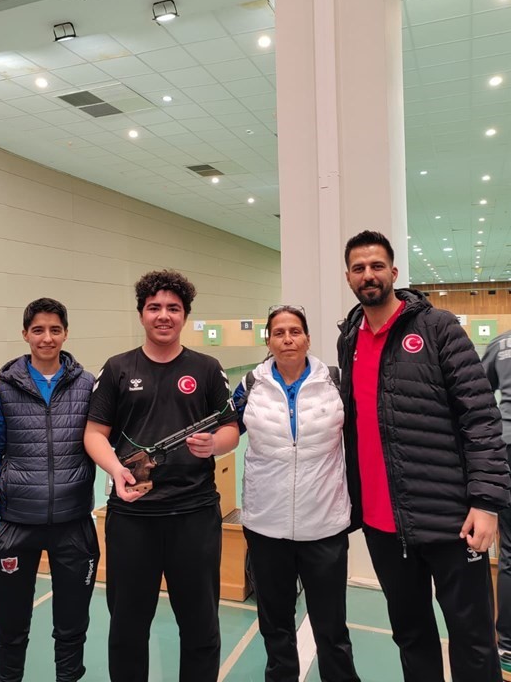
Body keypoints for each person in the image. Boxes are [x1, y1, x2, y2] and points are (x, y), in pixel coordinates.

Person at [338, 229, 510, 682]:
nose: (368, 274)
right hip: (382, 525)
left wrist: (486, 502)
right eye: (359, 268)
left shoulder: (438, 328)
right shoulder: (349, 338)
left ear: (394, 272)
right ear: (349, 277)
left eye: (377, 266)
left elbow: (480, 416)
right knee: (411, 636)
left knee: (473, 640)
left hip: (450, 521)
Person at [84, 269, 239, 682]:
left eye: (173, 308)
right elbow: (94, 433)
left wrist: (214, 444)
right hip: (132, 518)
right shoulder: (117, 369)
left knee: (201, 627)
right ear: (141, 314)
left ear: (185, 315)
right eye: (154, 307)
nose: (164, 315)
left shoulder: (207, 368)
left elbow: (231, 428)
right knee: (127, 628)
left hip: (195, 515)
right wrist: (116, 469)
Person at [233, 305, 360, 682]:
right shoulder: (251, 385)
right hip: (265, 526)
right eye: (279, 332)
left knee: (332, 628)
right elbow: (225, 430)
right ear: (268, 340)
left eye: (294, 331)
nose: (287, 339)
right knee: (275, 626)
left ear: (307, 338)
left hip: (325, 526)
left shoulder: (335, 382)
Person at [0, 298, 99, 682]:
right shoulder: (3, 390)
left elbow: (103, 441)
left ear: (66, 333)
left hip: (73, 524)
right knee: (10, 627)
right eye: (38, 330)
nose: (47, 338)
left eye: (55, 330)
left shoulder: (88, 386)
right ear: (25, 334)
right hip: (15, 525)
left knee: (72, 627)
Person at [483, 328, 511, 675]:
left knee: (510, 551)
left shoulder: (501, 343)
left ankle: (508, 644)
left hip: (506, 445)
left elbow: (477, 391)